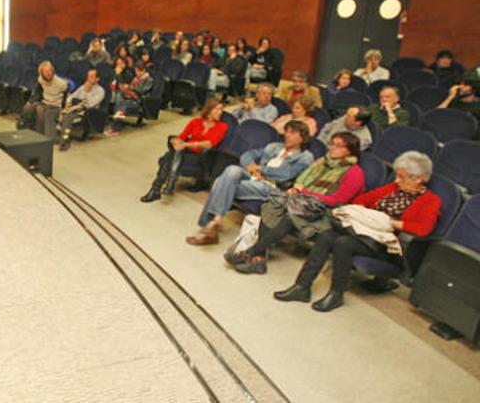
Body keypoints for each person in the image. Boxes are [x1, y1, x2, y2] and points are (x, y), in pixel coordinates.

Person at [273, 152, 441, 312]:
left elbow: (423, 228)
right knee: (327, 236)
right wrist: (366, 216)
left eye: (402, 177)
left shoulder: (431, 201)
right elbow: (362, 200)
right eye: (396, 175)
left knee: (342, 241)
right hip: (363, 233)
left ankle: (336, 294)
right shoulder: (392, 188)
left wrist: (388, 223)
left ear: (419, 179)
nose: (396, 180)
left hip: (386, 245)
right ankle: (302, 286)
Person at [227, 132, 366, 274]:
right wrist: (296, 190)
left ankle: (250, 252)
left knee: (290, 216)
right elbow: (301, 180)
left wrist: (304, 192)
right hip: (305, 202)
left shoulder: (355, 173)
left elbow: (337, 200)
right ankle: (259, 260)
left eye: (339, 146)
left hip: (327, 212)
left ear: (350, 150)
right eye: (332, 144)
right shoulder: (323, 161)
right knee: (272, 205)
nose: (332, 148)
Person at [186, 121, 314, 245]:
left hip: (271, 187)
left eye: (292, 133)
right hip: (254, 177)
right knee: (232, 170)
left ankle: (211, 225)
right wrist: (250, 165)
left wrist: (261, 169)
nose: (287, 135)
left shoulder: (305, 157)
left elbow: (285, 174)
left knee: (221, 182)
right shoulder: (274, 146)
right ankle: (216, 221)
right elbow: (248, 154)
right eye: (286, 131)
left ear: (302, 138)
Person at [139, 99, 228, 202]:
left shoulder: (222, 126)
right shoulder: (195, 122)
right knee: (173, 151)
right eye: (218, 109)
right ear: (209, 110)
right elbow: (182, 136)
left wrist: (186, 144)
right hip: (185, 152)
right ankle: (164, 186)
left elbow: (210, 143)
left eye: (221, 109)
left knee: (169, 157)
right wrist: (175, 141)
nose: (220, 112)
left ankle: (157, 188)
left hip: (201, 156)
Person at [19, 60, 69, 137]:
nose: (48, 73)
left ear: (53, 71)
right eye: (46, 72)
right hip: (45, 102)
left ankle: (43, 135)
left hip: (55, 106)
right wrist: (30, 101)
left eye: (50, 71)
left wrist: (63, 109)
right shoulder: (41, 79)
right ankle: (25, 129)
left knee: (41, 110)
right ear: (42, 73)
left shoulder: (61, 84)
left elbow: (66, 96)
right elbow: (37, 91)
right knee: (28, 108)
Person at [58, 68, 105, 150]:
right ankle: (62, 136)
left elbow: (91, 104)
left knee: (67, 118)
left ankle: (64, 141)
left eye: (91, 77)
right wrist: (69, 103)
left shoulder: (100, 90)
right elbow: (71, 97)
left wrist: (87, 92)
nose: (88, 79)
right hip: (76, 108)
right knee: (62, 114)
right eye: (88, 76)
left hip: (89, 112)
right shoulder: (82, 87)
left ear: (97, 79)